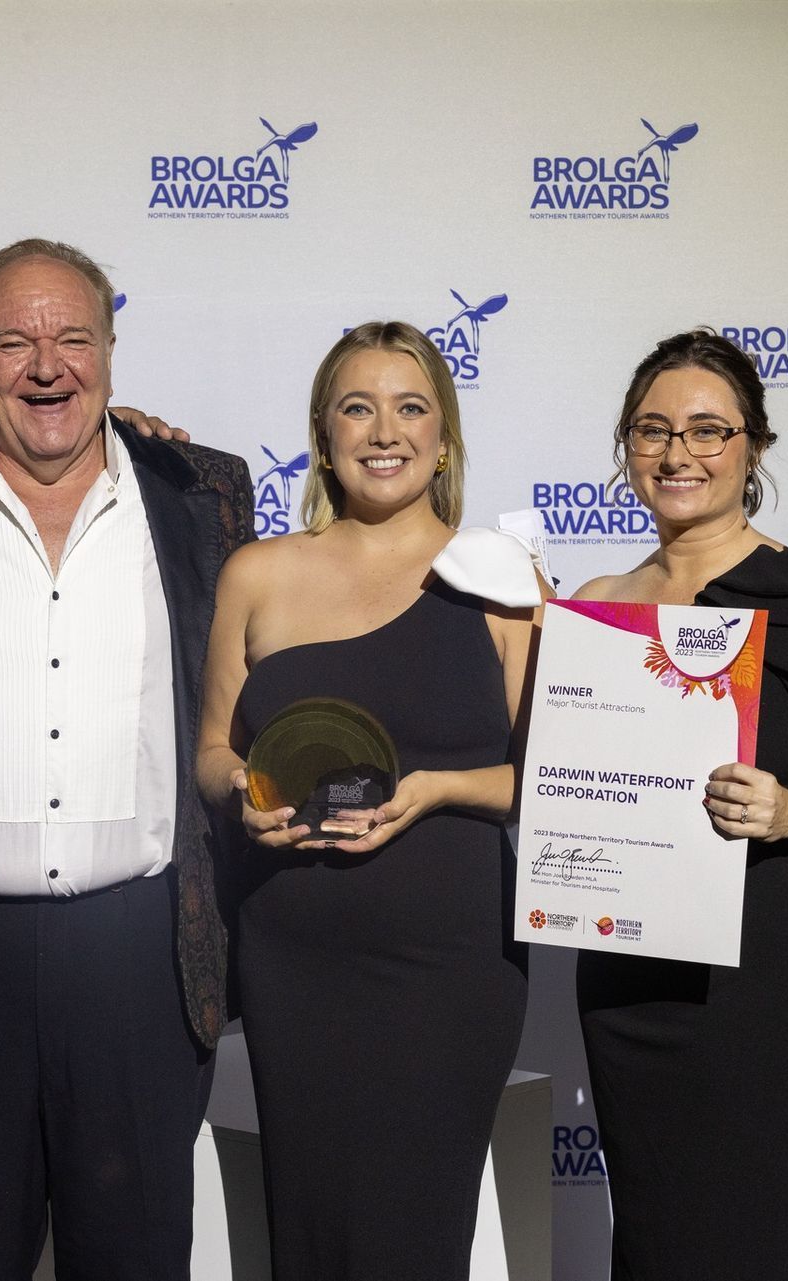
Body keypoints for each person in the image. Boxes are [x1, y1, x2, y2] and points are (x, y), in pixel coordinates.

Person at [0, 237, 254, 1281]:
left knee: (138, 1255)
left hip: (143, 961)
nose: (46, 365)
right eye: (14, 341)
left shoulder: (206, 493)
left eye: (74, 337)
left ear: (113, 349)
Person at [195, 322, 538, 1280]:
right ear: (323, 431)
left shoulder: (501, 580)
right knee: (308, 1236)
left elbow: (553, 777)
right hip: (294, 962)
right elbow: (212, 749)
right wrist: (239, 791)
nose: (383, 430)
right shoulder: (257, 572)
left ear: (445, 435)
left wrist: (437, 791)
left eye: (410, 406)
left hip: (449, 972)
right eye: (358, 406)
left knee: (415, 1241)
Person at [573, 329, 788, 1279]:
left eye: (708, 430)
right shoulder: (597, 606)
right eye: (652, 430)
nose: (678, 453)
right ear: (626, 448)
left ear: (754, 447)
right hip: (636, 975)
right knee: (660, 1222)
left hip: (782, 972)